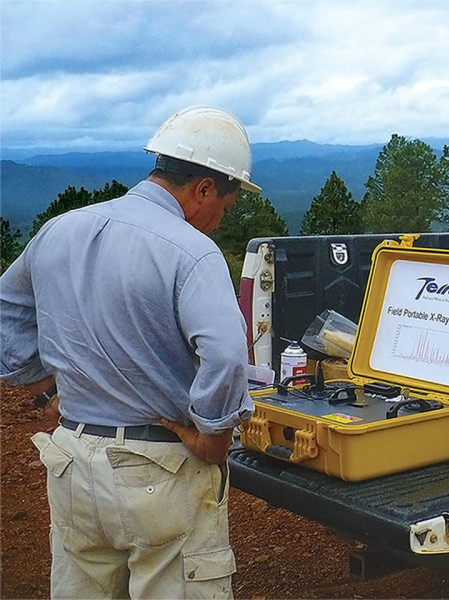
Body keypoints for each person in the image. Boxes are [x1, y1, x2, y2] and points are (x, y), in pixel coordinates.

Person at [0, 106, 261, 599]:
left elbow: (5, 311)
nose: (219, 219)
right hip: (160, 470)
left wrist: (44, 387)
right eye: (223, 205)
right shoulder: (193, 252)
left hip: (73, 459)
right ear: (204, 188)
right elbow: (227, 356)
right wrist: (213, 435)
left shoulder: (59, 229)